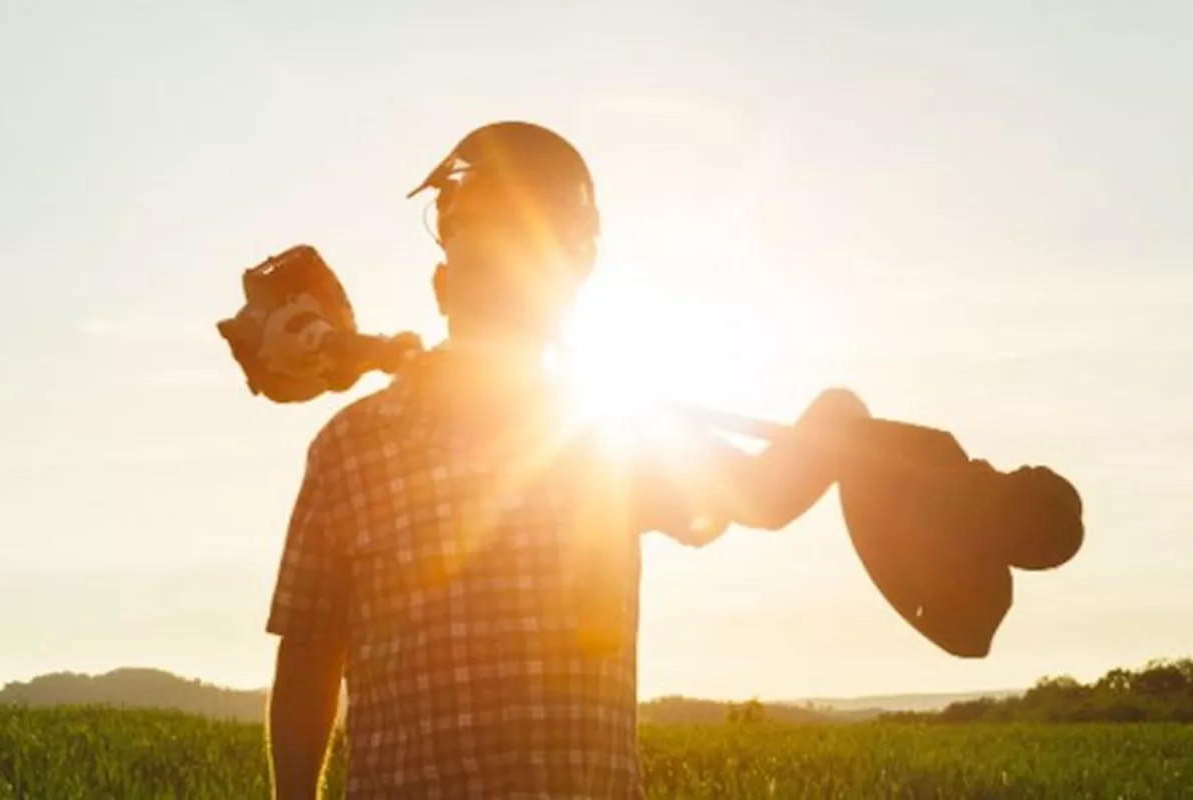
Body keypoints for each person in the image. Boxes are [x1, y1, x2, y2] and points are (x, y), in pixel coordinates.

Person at [262, 121, 869, 799]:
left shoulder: (614, 433)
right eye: (483, 264)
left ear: (568, 290)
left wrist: (837, 418)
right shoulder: (351, 450)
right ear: (441, 286)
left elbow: (765, 493)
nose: (506, 289)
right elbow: (309, 656)